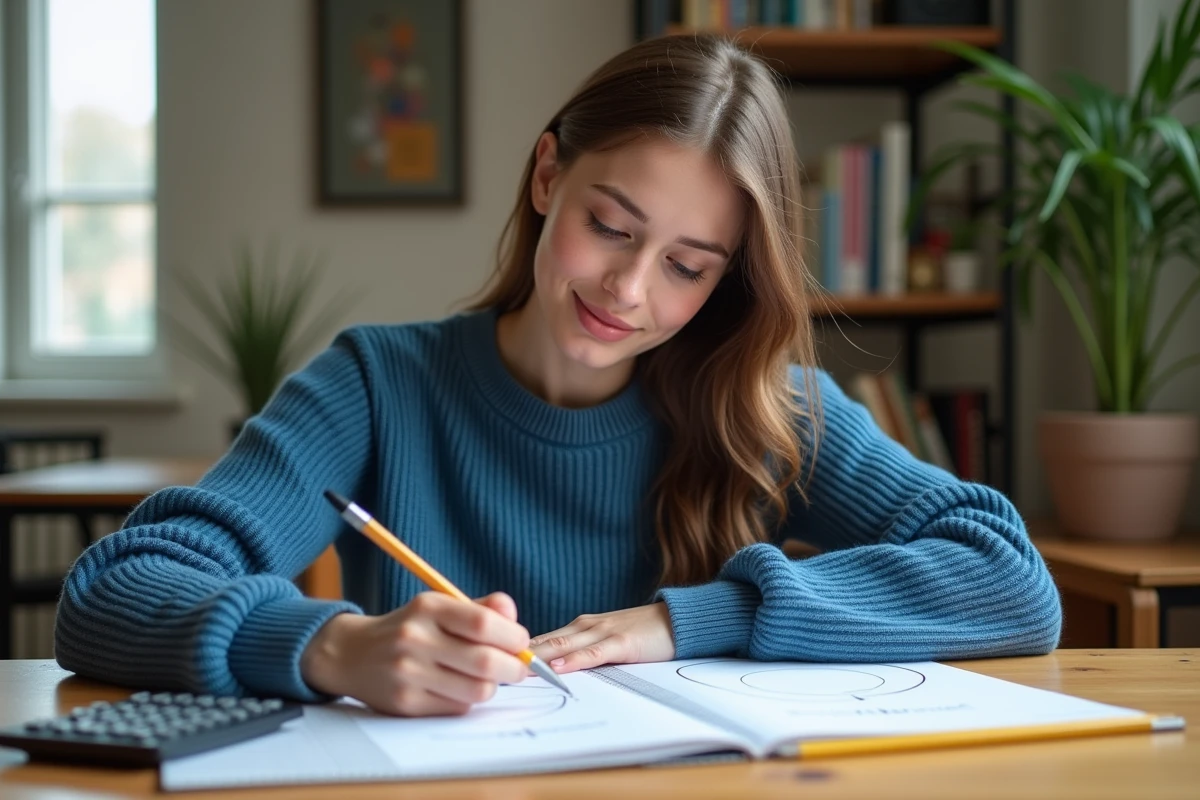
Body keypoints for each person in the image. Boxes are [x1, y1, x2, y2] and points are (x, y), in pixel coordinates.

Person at [55, 34, 1061, 717]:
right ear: (547, 179)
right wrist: (330, 646)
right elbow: (111, 588)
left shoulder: (774, 410)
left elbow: (1010, 576)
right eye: (610, 227)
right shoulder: (376, 383)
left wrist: (693, 616)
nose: (627, 287)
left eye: (687, 266)